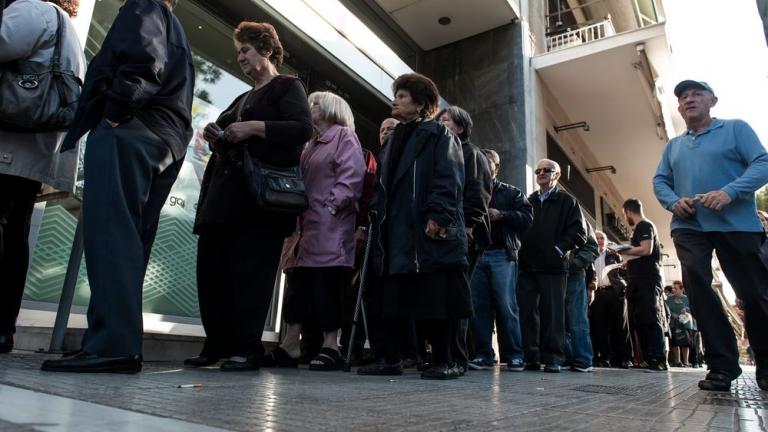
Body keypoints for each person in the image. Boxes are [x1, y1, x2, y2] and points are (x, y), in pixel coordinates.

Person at [41, 0, 193, 373]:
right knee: (128, 242)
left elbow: (144, 61)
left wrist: (114, 115)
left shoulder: (144, 6)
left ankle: (112, 345)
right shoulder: (174, 24)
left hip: (132, 130)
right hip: (164, 139)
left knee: (110, 235)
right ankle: (113, 341)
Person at [184, 22, 313, 371]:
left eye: (246, 49)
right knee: (213, 272)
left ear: (267, 50)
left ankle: (247, 347)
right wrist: (216, 133)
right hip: (223, 198)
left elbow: (302, 129)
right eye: (239, 50)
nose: (239, 56)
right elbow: (228, 133)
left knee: (250, 274)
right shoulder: (242, 97)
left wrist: (254, 127)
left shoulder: (288, 86)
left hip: (259, 202)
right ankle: (217, 345)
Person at [653, 79, 768, 391]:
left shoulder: (736, 129)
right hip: (690, 226)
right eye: (683, 96)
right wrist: (675, 202)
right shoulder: (674, 146)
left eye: (696, 94)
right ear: (679, 107)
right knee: (697, 284)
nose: (689, 99)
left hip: (737, 224)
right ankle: (721, 365)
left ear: (712, 101)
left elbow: (763, 163)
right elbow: (660, 181)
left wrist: (730, 193)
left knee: (752, 292)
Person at [357, 73, 470, 380]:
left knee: (434, 298)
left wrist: (437, 216)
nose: (395, 100)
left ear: (421, 103)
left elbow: (449, 179)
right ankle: (390, 358)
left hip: (426, 231)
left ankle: (443, 359)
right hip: (394, 232)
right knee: (391, 297)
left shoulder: (439, 135)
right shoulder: (394, 141)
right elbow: (384, 187)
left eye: (403, 96)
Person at [0, 0, 85, 354]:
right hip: (31, 149)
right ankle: (4, 327)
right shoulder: (67, 27)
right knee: (15, 232)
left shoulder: (34, 10)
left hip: (10, 144)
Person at [264, 91, 364, 371]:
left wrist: (331, 208)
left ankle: (331, 345)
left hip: (329, 226)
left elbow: (351, 176)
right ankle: (290, 343)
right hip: (303, 228)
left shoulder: (344, 136)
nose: (310, 108)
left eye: (315, 104)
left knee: (326, 284)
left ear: (333, 108)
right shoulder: (310, 145)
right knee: (299, 286)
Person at [436, 105, 492, 374]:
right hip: (442, 235)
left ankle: (457, 358)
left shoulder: (472, 154)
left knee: (457, 298)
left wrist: (467, 224)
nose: (441, 124)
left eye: (445, 121)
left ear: (460, 127)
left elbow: (479, 195)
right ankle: (441, 355)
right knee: (441, 298)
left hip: (464, 236)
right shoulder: (441, 153)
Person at [518, 159, 586, 373]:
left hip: (554, 267)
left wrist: (558, 249)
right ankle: (531, 357)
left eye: (546, 170)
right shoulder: (528, 201)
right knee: (528, 313)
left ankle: (553, 359)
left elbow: (579, 233)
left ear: (556, 175)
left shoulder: (567, 201)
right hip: (528, 266)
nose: (541, 173)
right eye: (538, 170)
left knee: (553, 314)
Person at [467, 149, 532, 371]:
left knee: (507, 306)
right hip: (476, 254)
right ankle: (483, 355)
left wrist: (502, 215)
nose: (483, 166)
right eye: (480, 162)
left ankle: (514, 355)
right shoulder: (470, 190)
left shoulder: (511, 193)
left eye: (488, 162)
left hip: (502, 254)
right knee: (478, 307)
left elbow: (527, 218)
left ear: (497, 167)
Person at [613, 198, 666, 371]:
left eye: (624, 214)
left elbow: (646, 249)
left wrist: (623, 250)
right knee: (639, 319)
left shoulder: (644, 225)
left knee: (650, 316)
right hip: (635, 279)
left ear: (628, 212)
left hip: (647, 279)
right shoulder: (639, 228)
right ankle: (647, 358)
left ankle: (658, 359)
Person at [589, 230, 631, 368]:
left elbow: (626, 272)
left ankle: (625, 358)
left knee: (620, 326)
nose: (600, 240)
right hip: (598, 294)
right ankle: (605, 357)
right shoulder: (590, 255)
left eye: (602, 238)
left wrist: (623, 288)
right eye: (597, 238)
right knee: (600, 328)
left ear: (606, 240)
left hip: (615, 292)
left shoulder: (615, 254)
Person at [564, 222, 599, 372]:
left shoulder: (576, 213)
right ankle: (566, 356)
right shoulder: (542, 210)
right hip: (551, 274)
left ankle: (583, 358)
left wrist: (576, 263)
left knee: (577, 318)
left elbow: (592, 247)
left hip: (574, 274)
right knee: (558, 319)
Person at [666, 280, 693, 367]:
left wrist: (686, 310)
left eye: (675, 288)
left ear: (681, 289)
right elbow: (666, 308)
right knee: (674, 342)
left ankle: (686, 362)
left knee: (685, 342)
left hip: (684, 323)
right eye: (673, 288)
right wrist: (671, 314)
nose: (673, 289)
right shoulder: (669, 298)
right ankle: (677, 361)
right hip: (673, 322)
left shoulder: (686, 298)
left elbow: (691, 308)